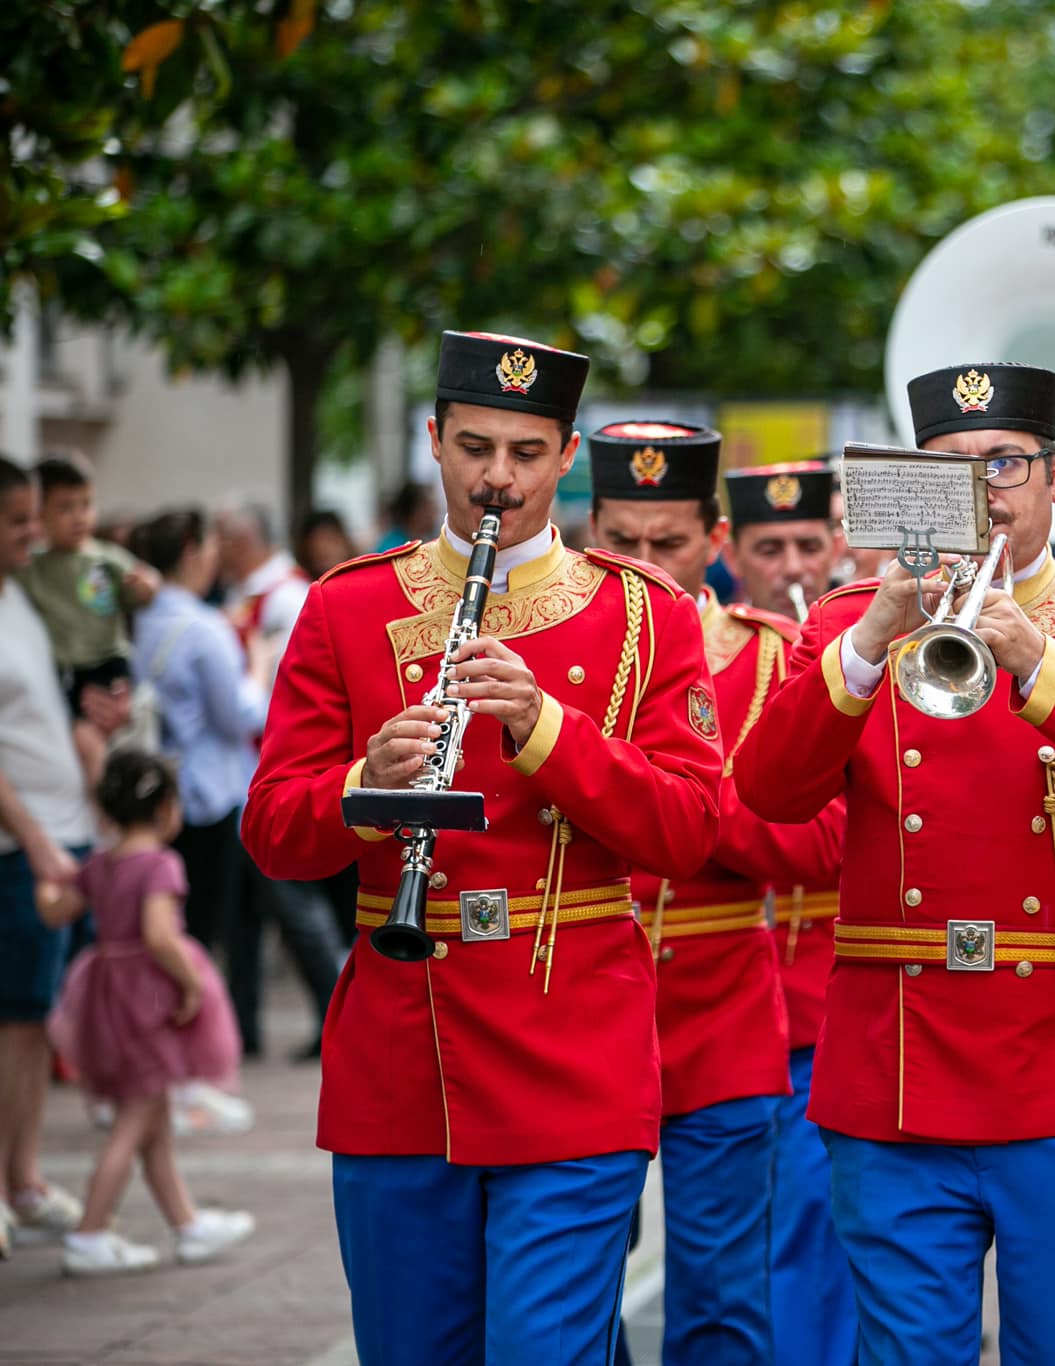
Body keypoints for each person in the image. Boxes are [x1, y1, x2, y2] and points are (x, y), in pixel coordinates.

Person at [241, 331, 726, 1364]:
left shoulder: (645, 614)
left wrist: (546, 732)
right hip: (398, 1060)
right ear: (433, 441)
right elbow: (275, 833)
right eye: (472, 447)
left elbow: (689, 829)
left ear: (566, 455)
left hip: (573, 1060)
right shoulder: (348, 604)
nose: (494, 477)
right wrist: (362, 788)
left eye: (523, 451)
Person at [732, 361, 1055, 1364]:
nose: (983, 491)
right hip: (897, 1065)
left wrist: (1038, 659)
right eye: (949, 470)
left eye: (1002, 463)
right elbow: (767, 795)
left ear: (1054, 475)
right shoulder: (844, 623)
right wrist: (870, 639)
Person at [586, 422, 842, 1365]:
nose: (647, 564)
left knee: (727, 1290)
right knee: (578, 1282)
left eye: (670, 543)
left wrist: (685, 806)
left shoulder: (777, 657)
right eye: (623, 542)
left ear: (713, 541)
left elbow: (822, 844)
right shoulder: (558, 661)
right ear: (590, 536)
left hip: (729, 1010)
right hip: (589, 999)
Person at [723, 460, 858, 1366]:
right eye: (769, 548)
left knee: (812, 1240)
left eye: (809, 544)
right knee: (731, 1258)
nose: (791, 565)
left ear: (838, 546)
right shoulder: (714, 654)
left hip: (819, 999)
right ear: (732, 553)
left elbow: (831, 838)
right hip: (724, 1000)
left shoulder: (861, 644)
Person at [132, 508, 345, 1064]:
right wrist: (254, 664)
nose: (218, 553)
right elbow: (241, 710)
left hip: (251, 779)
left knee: (272, 909)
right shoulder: (210, 616)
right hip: (228, 786)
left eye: (224, 540)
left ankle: (306, 1016)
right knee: (240, 917)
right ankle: (242, 1029)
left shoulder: (283, 597)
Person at [39, 749, 255, 1275]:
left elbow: (57, 912)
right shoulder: (160, 863)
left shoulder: (100, 863)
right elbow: (160, 936)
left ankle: (187, 1225)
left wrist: (46, 881)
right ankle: (89, 1234)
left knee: (152, 1119)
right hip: (148, 1002)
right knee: (136, 1120)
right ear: (164, 809)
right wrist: (190, 984)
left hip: (109, 996)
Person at [0, 455, 95, 1261]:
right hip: (19, 848)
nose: (35, 532)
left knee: (31, 1019)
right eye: (19, 520)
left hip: (57, 839)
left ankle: (21, 1180)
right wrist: (33, 841)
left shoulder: (25, 600)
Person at [17, 454, 159, 785]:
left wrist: (146, 587)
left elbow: (143, 587)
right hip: (66, 668)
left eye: (86, 504)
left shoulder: (104, 558)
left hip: (107, 659)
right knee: (82, 740)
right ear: (40, 515)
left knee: (101, 739)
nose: (79, 517)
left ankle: (109, 804)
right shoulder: (34, 565)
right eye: (66, 508)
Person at [723, 460, 842, 616]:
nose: (793, 568)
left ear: (835, 550)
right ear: (732, 557)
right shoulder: (709, 639)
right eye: (769, 551)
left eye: (810, 549)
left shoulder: (860, 638)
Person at [216, 501, 310, 659]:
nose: (213, 551)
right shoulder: (239, 586)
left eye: (219, 540)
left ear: (241, 543)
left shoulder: (289, 596)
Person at [375, 480, 441, 553]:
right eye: (429, 507)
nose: (435, 513)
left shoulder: (422, 541)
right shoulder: (394, 550)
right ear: (416, 512)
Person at [295, 508, 358, 580]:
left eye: (330, 540)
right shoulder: (298, 586)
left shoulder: (362, 578)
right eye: (316, 546)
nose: (325, 551)